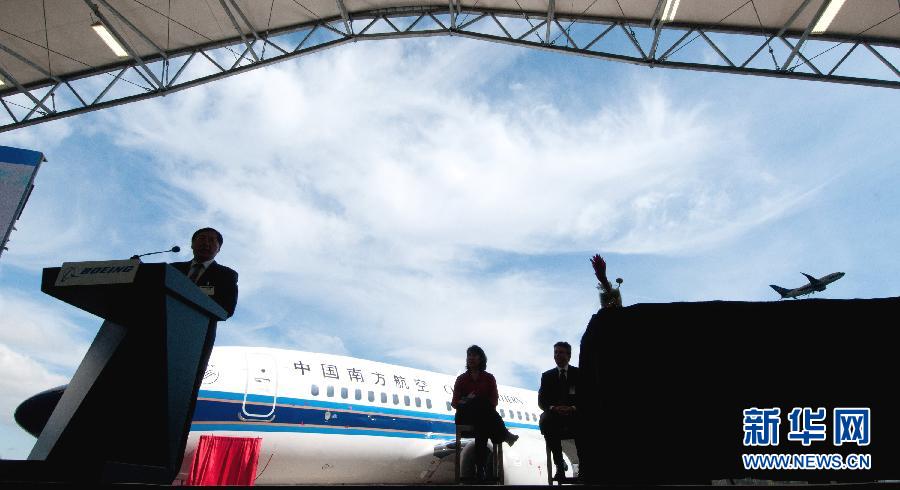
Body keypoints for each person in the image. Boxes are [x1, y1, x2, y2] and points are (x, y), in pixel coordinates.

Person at [451, 345, 519, 481]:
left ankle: (480, 468)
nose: (471, 358)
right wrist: (468, 400)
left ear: (481, 358)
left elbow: (494, 401)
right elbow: (455, 403)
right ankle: (504, 434)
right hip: (465, 416)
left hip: (482, 417)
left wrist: (475, 401)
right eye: (469, 355)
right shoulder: (461, 379)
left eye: (474, 355)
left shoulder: (489, 378)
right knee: (480, 405)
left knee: (481, 418)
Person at [538, 341, 583, 481]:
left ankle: (584, 466)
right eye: (556, 352)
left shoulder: (579, 374)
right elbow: (542, 401)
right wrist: (554, 408)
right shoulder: (547, 376)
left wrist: (572, 408)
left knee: (586, 422)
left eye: (561, 352)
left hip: (575, 413)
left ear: (569, 356)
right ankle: (559, 466)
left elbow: (586, 396)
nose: (558, 355)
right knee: (546, 422)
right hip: (555, 415)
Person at [172, 227, 239, 318]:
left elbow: (227, 309)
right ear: (192, 244)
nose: (206, 243)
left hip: (200, 328)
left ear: (219, 249)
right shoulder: (174, 268)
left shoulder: (227, 275)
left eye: (211, 240)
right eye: (202, 238)